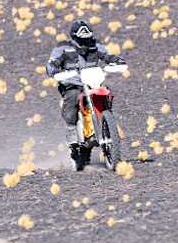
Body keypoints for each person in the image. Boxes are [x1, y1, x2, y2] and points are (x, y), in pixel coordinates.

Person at [46, 20, 124, 169]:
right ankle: (73, 143)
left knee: (105, 95)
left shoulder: (95, 45)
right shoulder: (62, 47)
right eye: (81, 39)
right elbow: (52, 63)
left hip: (93, 83)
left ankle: (107, 127)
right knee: (72, 101)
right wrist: (54, 70)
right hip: (72, 84)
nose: (85, 42)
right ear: (74, 38)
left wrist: (116, 60)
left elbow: (107, 56)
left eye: (87, 39)